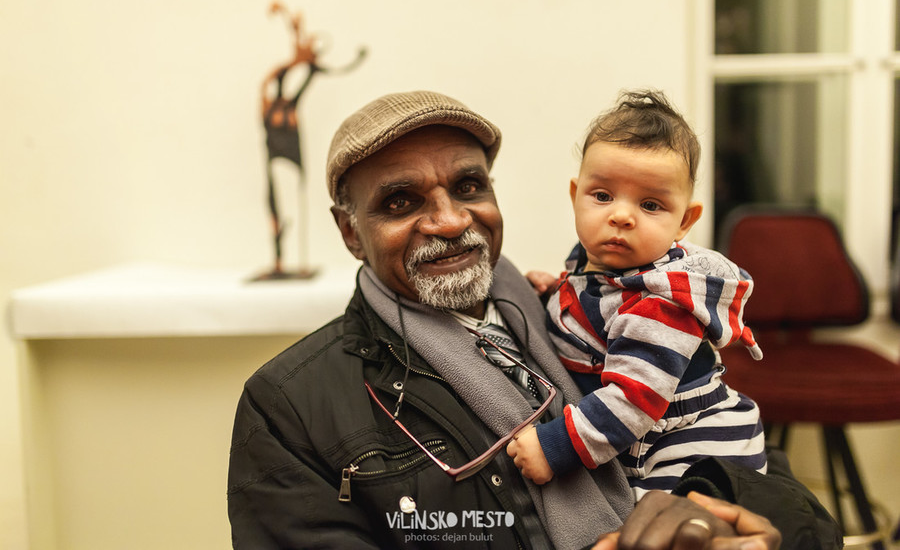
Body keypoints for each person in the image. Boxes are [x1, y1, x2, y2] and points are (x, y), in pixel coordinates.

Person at [227, 90, 841, 549]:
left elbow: (796, 511)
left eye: (469, 186)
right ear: (349, 231)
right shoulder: (289, 407)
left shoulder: (589, 312)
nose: (450, 220)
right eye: (400, 201)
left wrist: (714, 511)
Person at [508, 90, 768, 500]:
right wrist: (554, 292)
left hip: (695, 451)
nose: (621, 216)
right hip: (647, 436)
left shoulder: (663, 304)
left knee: (649, 525)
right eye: (602, 196)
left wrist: (553, 447)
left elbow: (634, 399)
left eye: (650, 204)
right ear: (576, 195)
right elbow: (593, 301)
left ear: (684, 221)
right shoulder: (594, 261)